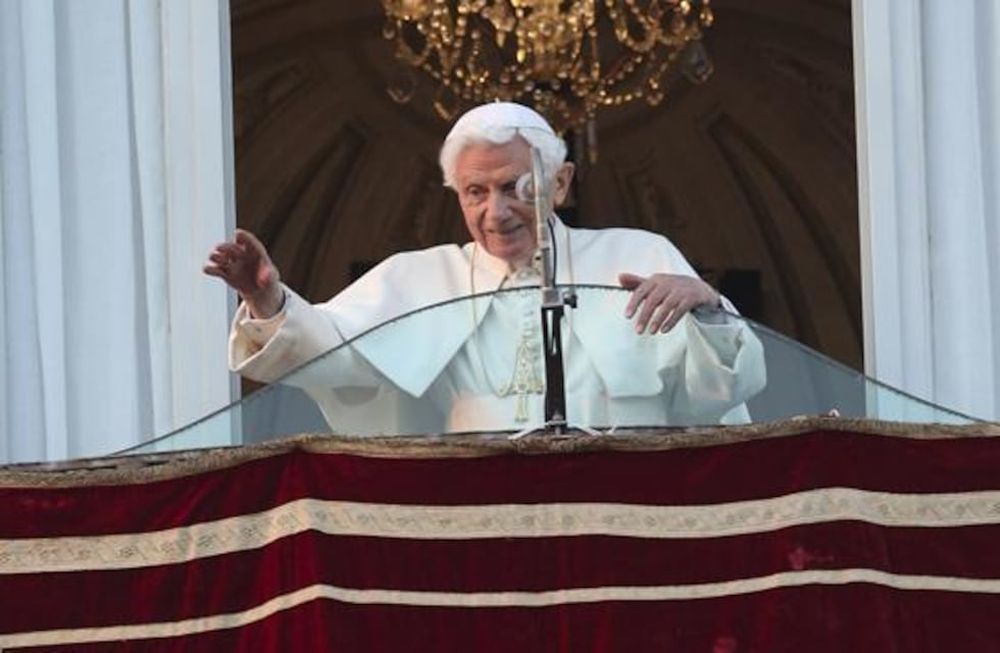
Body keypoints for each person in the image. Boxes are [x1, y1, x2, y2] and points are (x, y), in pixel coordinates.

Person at [204, 102, 765, 434]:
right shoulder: (420, 279)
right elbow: (333, 350)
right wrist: (267, 302)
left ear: (560, 183)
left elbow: (722, 390)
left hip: (621, 511)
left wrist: (709, 309)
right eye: (476, 192)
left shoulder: (639, 256)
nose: (495, 212)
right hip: (476, 520)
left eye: (515, 187)